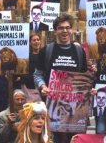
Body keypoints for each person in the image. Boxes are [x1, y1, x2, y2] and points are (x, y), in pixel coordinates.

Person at [33, 14, 87, 143]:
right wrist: (42, 86)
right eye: (61, 28)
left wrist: (88, 91)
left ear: (72, 30)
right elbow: (37, 74)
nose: (65, 31)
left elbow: (84, 78)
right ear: (55, 31)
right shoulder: (46, 51)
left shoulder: (79, 52)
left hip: (74, 107)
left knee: (74, 140)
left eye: (67, 28)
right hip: (52, 107)